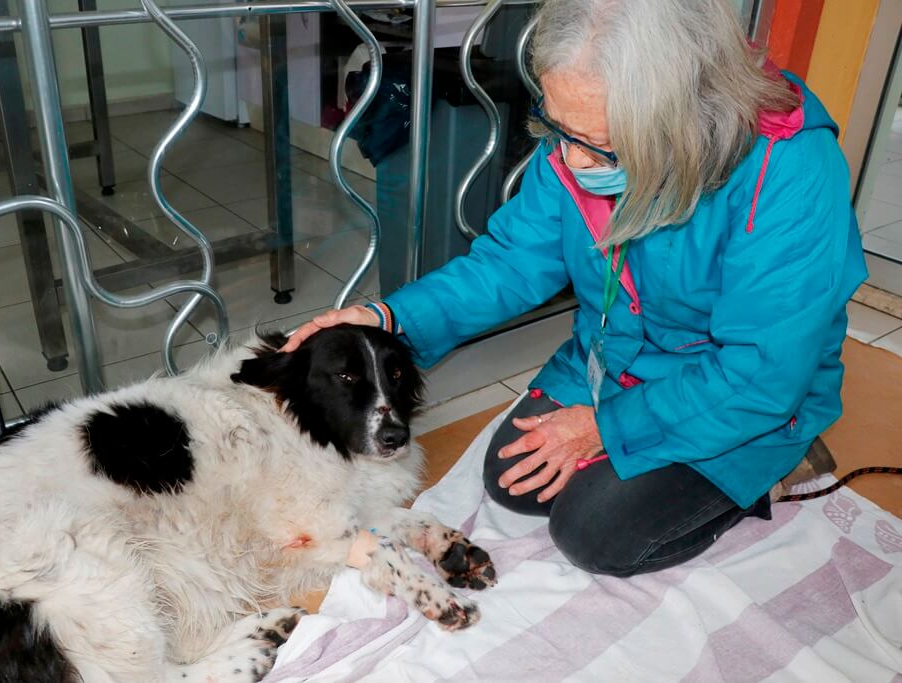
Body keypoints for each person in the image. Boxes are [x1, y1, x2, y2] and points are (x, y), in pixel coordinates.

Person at [282, 0, 867, 577]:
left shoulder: (790, 170)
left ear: (684, 115)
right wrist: (389, 319)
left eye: (600, 145)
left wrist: (602, 428)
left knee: (593, 533)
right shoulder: (583, 127)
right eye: (558, 130)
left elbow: (762, 370)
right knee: (512, 483)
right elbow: (510, 264)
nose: (571, 162)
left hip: (737, 390)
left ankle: (774, 462)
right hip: (612, 361)